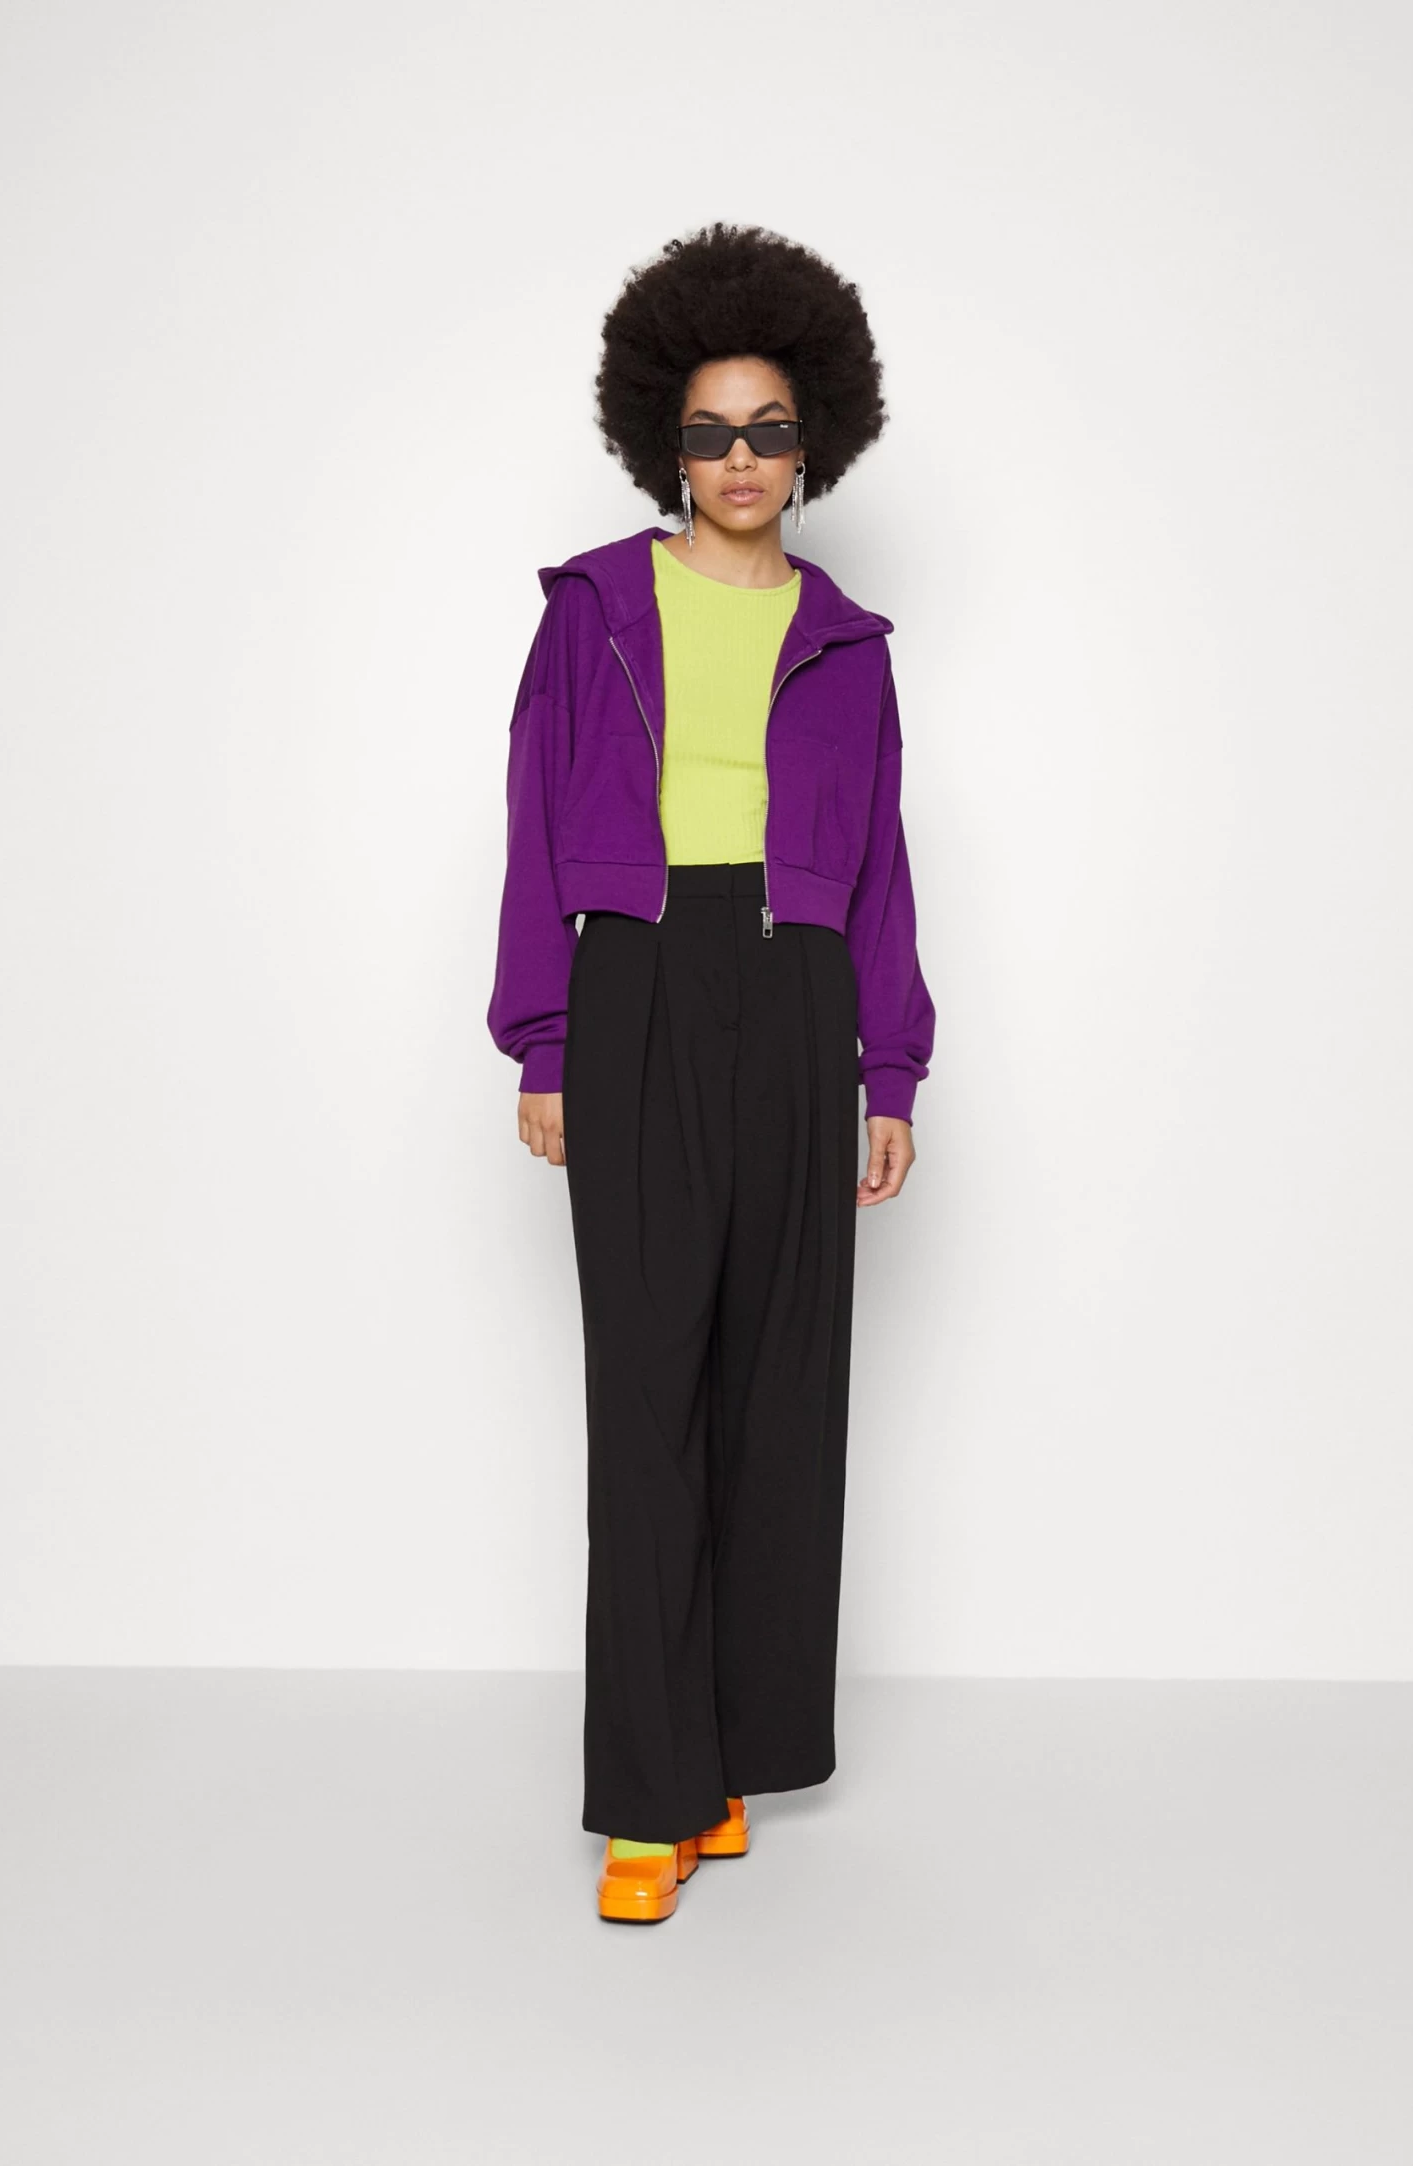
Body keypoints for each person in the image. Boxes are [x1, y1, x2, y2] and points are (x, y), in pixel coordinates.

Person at [487, 221, 936, 1923]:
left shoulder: (851, 643)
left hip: (797, 991)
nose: (739, 458)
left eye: (768, 429)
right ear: (662, 445)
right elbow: (532, 827)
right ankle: (647, 1796)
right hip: (640, 983)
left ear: (812, 440)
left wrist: (890, 1072)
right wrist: (544, 1033)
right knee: (649, 1388)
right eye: (708, 432)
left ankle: (733, 1755)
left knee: (778, 1387)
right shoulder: (596, 609)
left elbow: (881, 868)